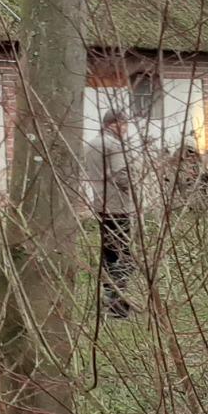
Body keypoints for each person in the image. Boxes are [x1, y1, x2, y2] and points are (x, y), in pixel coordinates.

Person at [87, 108, 140, 319]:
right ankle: (118, 304)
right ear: (114, 124)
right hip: (118, 206)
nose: (126, 129)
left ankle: (109, 299)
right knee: (122, 256)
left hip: (100, 204)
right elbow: (122, 176)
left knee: (109, 255)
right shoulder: (114, 145)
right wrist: (136, 189)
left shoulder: (91, 144)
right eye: (124, 124)